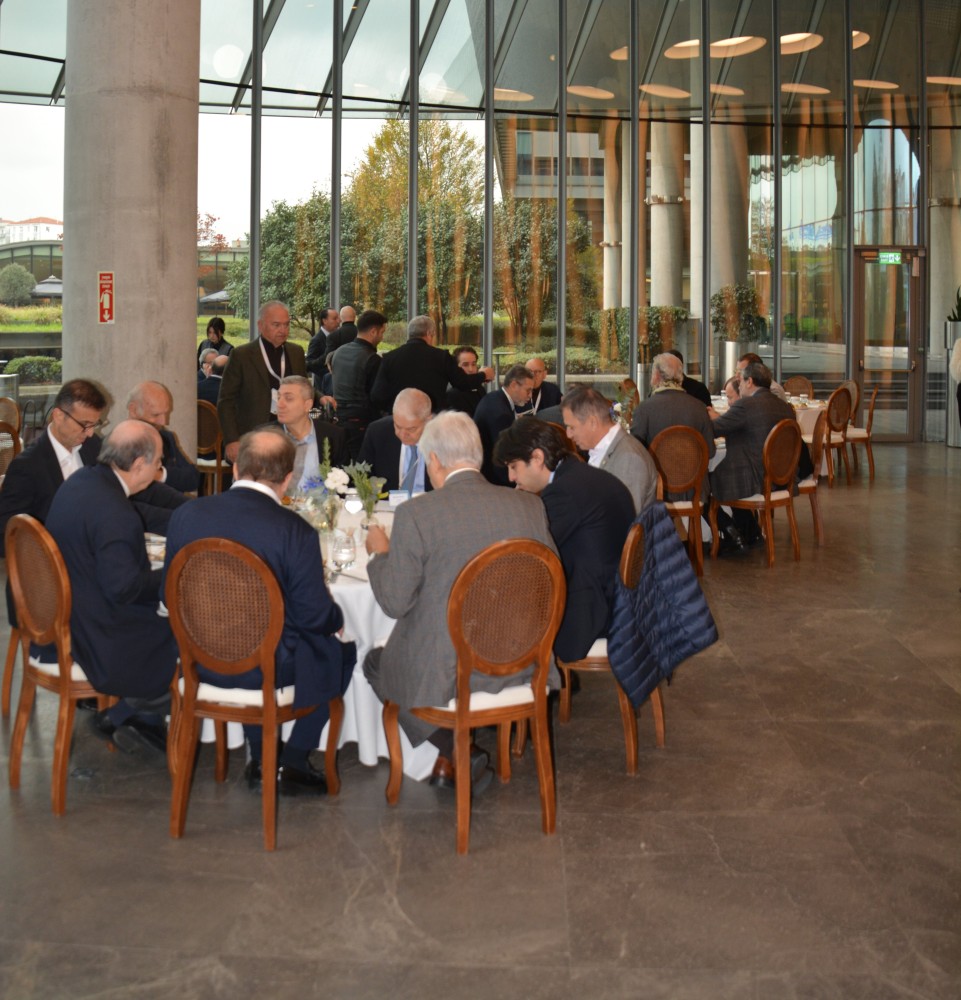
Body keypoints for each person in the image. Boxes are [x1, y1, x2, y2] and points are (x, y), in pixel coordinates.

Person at [362, 411, 557, 788]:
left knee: (375, 662)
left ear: (434, 460)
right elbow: (547, 583)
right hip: (521, 659)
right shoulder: (530, 506)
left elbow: (395, 603)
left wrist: (380, 555)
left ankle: (454, 747)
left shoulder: (417, 514)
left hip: (449, 671)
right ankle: (449, 756)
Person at [163, 427, 355, 795]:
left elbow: (167, 595)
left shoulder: (187, 515)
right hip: (265, 671)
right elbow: (314, 617)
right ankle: (292, 760)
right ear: (287, 479)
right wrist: (337, 621)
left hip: (196, 660)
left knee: (260, 638)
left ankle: (261, 758)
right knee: (337, 651)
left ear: (236, 469)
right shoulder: (293, 530)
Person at [45, 421, 179, 755]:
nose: (158, 470)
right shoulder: (114, 512)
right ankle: (132, 712)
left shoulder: (84, 482)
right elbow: (125, 588)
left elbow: (136, 512)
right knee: (195, 634)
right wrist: (177, 574)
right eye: (158, 462)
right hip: (99, 634)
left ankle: (137, 717)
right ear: (139, 464)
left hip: (71, 613)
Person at [493, 418, 635, 663]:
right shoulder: (584, 477)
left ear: (537, 458)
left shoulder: (564, 493)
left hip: (594, 613)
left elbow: (530, 554)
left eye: (514, 466)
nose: (511, 477)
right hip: (622, 599)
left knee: (495, 605)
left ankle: (531, 684)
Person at [709, 360, 801, 552]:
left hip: (755, 480)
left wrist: (710, 417)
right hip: (782, 479)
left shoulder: (746, 405)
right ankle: (750, 533)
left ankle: (730, 532)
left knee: (703, 483)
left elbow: (714, 429)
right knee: (731, 470)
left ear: (750, 381)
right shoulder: (785, 407)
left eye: (741, 382)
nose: (740, 386)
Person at [217, 300, 308, 463]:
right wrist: (231, 440)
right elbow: (226, 401)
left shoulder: (296, 352)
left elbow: (303, 386)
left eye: (286, 325)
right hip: (253, 436)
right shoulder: (242, 355)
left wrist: (321, 397)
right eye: (276, 325)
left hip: (291, 434)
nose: (283, 330)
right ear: (260, 325)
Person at [560, 385, 658, 514]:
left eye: (572, 427)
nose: (568, 434)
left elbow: (624, 519)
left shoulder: (629, 458)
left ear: (592, 422)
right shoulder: (605, 449)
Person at [369, 314, 494, 413]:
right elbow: (462, 383)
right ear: (429, 333)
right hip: (431, 418)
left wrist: (395, 408)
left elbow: (377, 396)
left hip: (400, 419)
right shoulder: (442, 357)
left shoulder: (389, 358)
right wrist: (483, 375)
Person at [630, 352, 716, 460]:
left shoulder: (643, 409)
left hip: (656, 471)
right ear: (680, 377)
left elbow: (634, 452)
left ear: (656, 376)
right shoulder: (700, 408)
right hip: (693, 471)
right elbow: (710, 452)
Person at [329, 308, 387, 458]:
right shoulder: (372, 358)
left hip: (338, 416)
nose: (382, 337)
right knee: (361, 464)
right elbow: (377, 395)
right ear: (373, 331)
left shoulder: (339, 352)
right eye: (382, 332)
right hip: (362, 420)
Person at [276, 375, 348, 489]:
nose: (279, 404)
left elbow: (344, 482)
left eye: (288, 398)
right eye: (278, 397)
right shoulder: (264, 437)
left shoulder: (333, 435)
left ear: (307, 405)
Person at [127, 381, 200, 493]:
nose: (163, 422)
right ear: (133, 410)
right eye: (155, 415)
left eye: (166, 413)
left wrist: (160, 475)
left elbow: (193, 478)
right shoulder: (117, 444)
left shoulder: (166, 438)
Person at [357, 388, 432, 494]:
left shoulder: (445, 439)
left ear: (428, 420)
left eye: (411, 429)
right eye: (398, 426)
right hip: (387, 503)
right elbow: (361, 476)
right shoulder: (378, 432)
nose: (402, 435)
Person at [474, 363, 534, 485]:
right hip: (492, 480)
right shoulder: (501, 414)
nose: (530, 395)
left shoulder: (494, 397)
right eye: (528, 390)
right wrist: (514, 485)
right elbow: (502, 457)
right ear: (514, 385)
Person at [304, 306, 340, 392]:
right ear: (324, 321)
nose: (339, 321)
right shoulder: (317, 340)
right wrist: (326, 359)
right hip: (322, 386)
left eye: (338, 318)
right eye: (335, 319)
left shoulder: (337, 336)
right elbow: (310, 363)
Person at [444, 346, 486, 417]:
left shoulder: (480, 389)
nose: (471, 369)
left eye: (473, 364)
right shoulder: (452, 394)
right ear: (455, 368)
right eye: (465, 365)